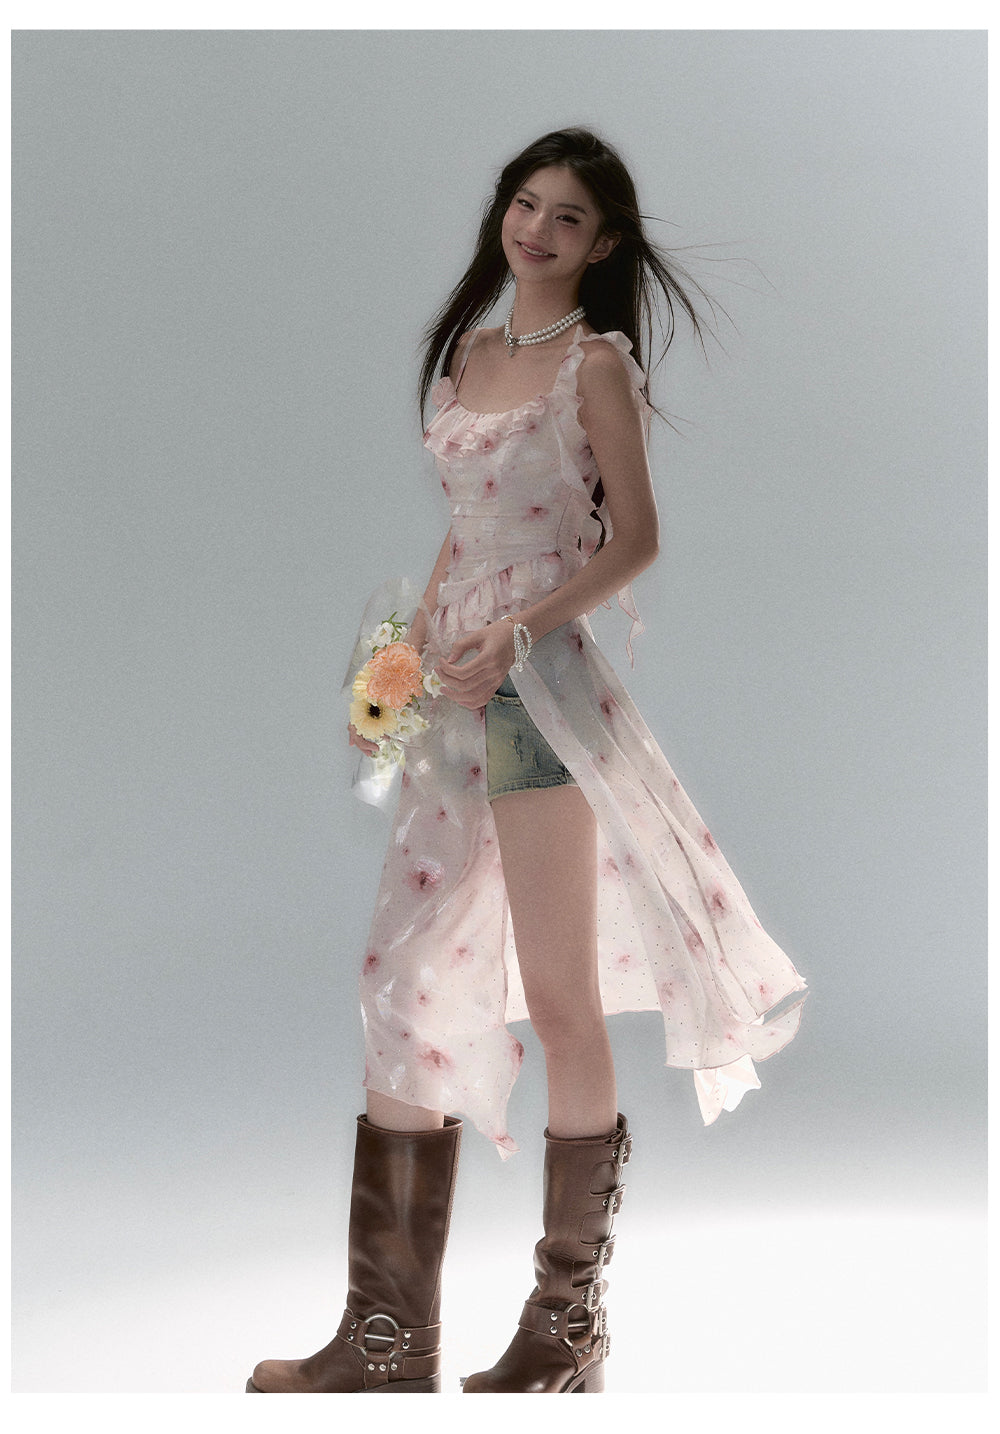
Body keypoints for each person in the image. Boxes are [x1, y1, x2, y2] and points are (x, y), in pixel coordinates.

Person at [247, 126, 808, 1396]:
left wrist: (520, 630)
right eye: (525, 203)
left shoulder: (592, 365)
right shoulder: (473, 352)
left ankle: (566, 1327)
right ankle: (386, 1340)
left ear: (601, 245)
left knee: (557, 998)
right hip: (453, 687)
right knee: (401, 980)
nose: (537, 230)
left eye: (567, 217)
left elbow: (636, 539)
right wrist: (397, 665)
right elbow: (460, 534)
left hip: (539, 697)